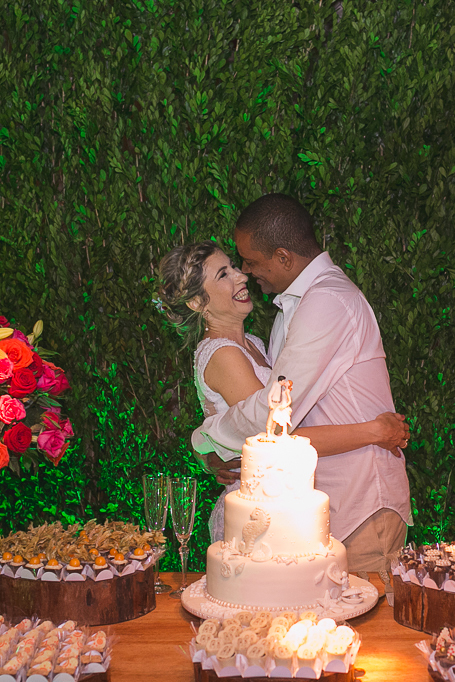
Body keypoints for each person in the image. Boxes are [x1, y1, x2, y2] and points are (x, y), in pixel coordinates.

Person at [189, 194, 412, 595]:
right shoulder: (293, 307)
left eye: (251, 261)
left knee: (370, 642)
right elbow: (284, 425)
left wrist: (206, 437)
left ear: (283, 257)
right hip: (318, 513)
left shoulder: (326, 302)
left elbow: (271, 414)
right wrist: (221, 453)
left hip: (359, 505)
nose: (245, 271)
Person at [155, 239, 408, 545]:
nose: (241, 276)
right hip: (257, 515)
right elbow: (277, 439)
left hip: (282, 505)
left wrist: (206, 446)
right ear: (197, 302)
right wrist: (375, 431)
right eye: (223, 274)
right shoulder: (223, 355)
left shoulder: (254, 344)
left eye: (233, 266)